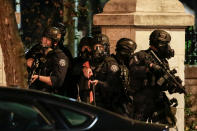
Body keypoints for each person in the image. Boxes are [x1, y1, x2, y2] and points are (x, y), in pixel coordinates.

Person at [129, 29, 184, 127]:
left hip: (157, 101)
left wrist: (174, 86)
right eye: (165, 44)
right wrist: (149, 68)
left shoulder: (163, 61)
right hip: (142, 101)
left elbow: (162, 85)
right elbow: (132, 70)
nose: (168, 47)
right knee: (137, 127)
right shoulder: (141, 56)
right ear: (159, 43)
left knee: (165, 126)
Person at [31, 27, 69, 94]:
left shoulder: (60, 57)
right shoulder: (37, 52)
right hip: (35, 92)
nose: (44, 41)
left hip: (51, 96)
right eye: (44, 38)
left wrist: (38, 77)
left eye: (48, 39)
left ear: (55, 43)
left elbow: (57, 81)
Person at [68, 36, 93, 101]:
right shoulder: (75, 61)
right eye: (84, 48)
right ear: (80, 48)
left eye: (89, 48)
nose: (86, 50)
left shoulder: (94, 62)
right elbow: (72, 73)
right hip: (76, 95)